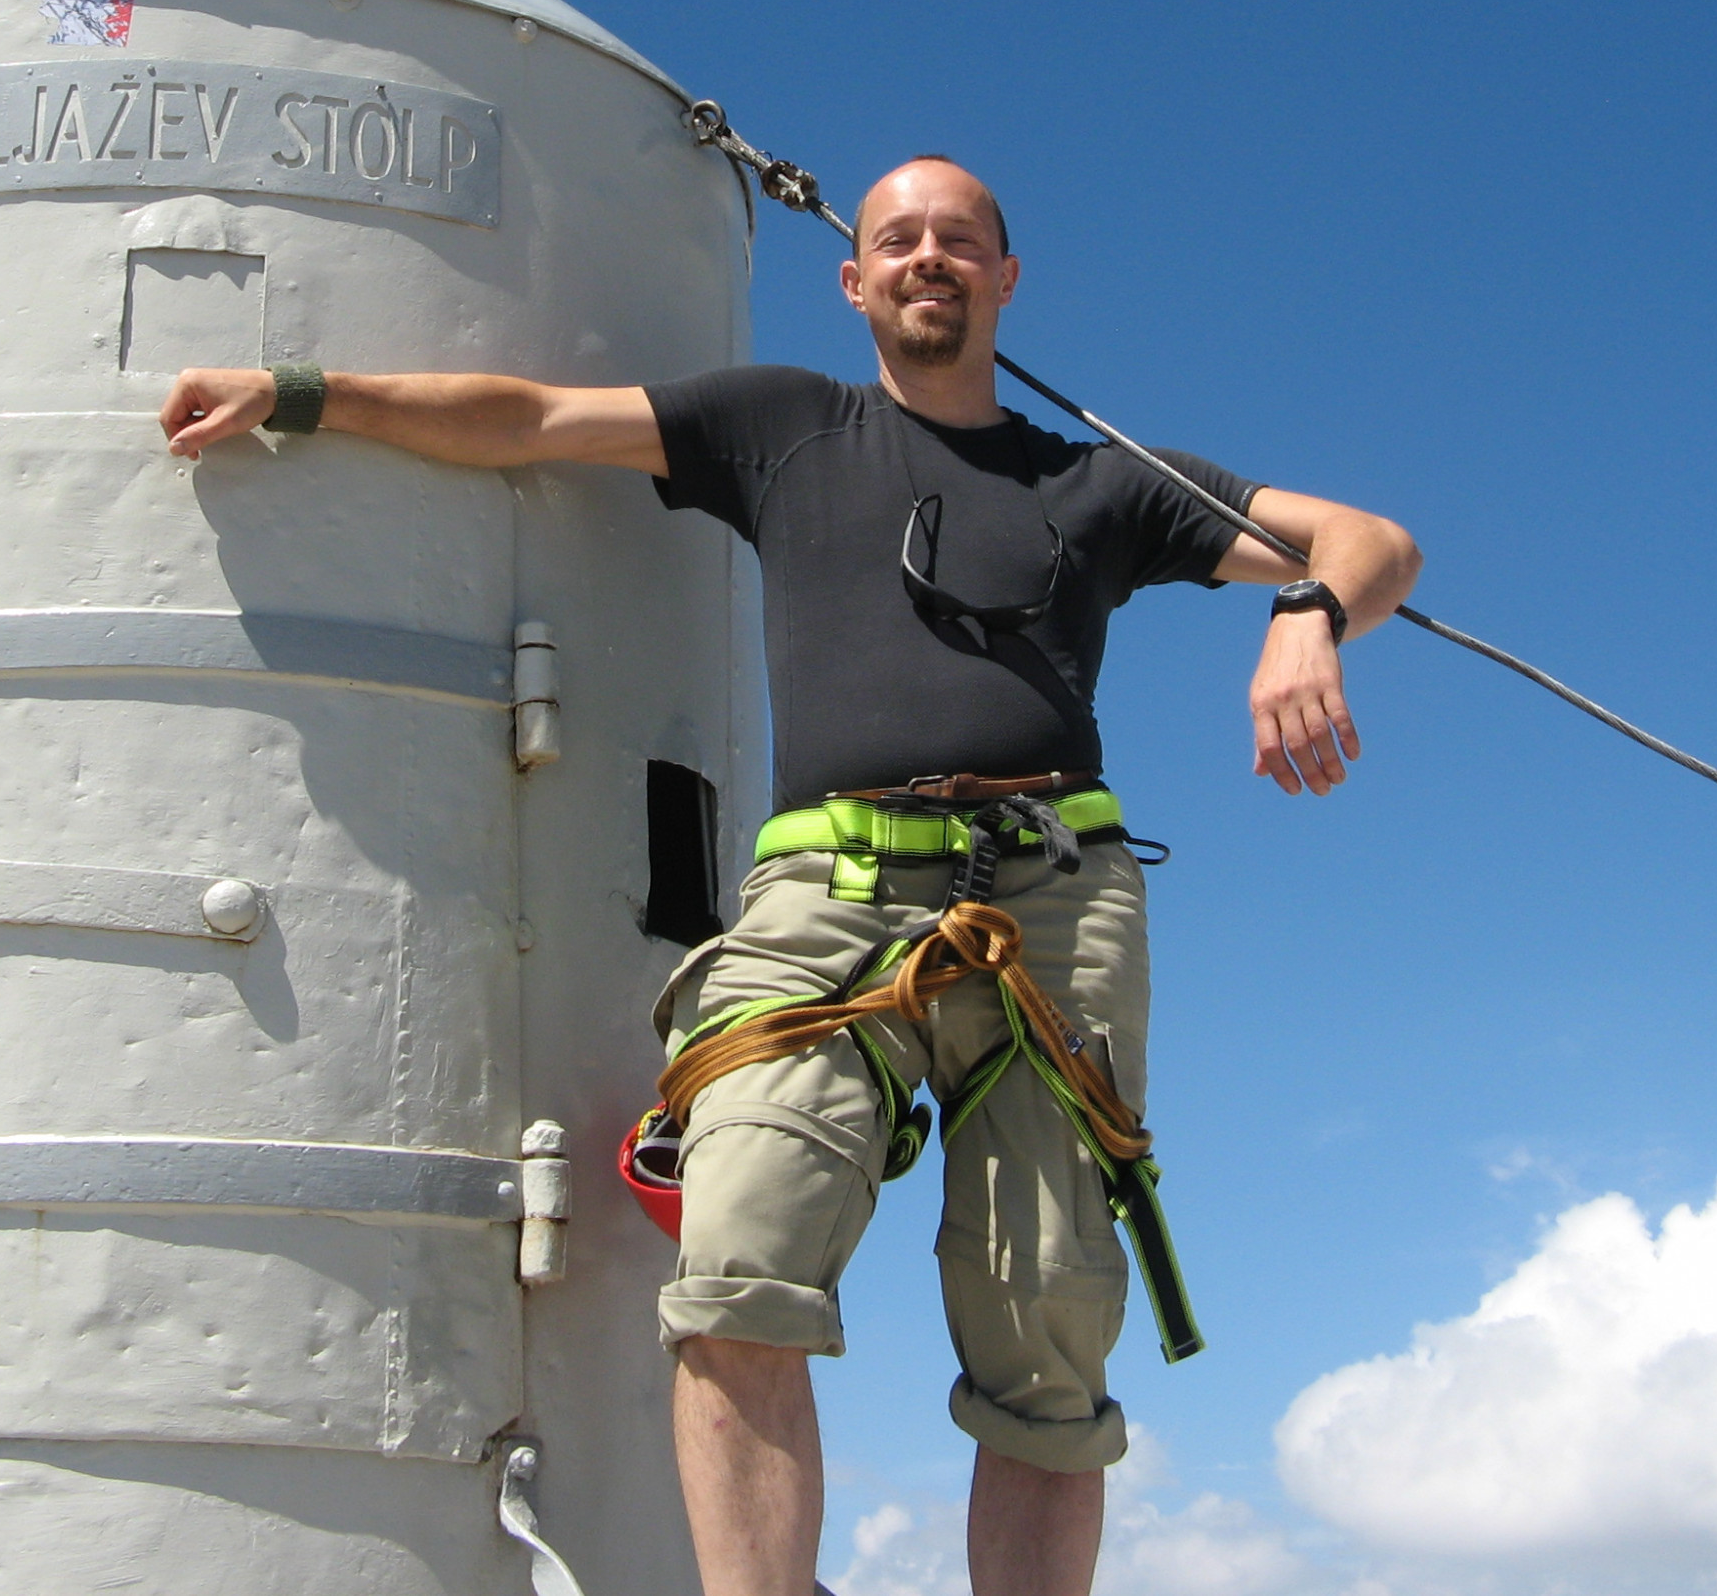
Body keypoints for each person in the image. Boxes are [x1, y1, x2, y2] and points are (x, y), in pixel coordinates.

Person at [158, 156, 1421, 1596]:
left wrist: (1309, 615)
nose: (925, 256)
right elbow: (534, 419)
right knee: (738, 1257)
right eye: (897, 238)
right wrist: (306, 392)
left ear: (1007, 279)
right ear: (855, 278)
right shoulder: (782, 427)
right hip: (825, 892)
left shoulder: (1099, 483)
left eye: (958, 239)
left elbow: (1371, 538)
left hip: (1054, 903)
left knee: (1047, 1332)